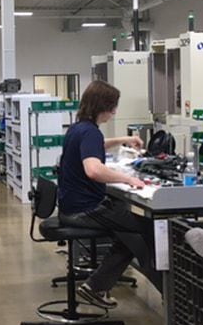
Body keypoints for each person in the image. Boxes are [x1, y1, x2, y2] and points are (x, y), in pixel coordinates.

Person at [57, 80, 162, 309]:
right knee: (146, 229)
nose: (114, 112)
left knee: (130, 234)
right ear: (102, 106)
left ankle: (96, 286)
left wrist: (124, 140)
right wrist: (128, 179)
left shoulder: (79, 129)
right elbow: (93, 170)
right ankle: (169, 292)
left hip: (71, 206)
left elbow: (95, 146)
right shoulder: (90, 132)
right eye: (112, 107)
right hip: (85, 210)